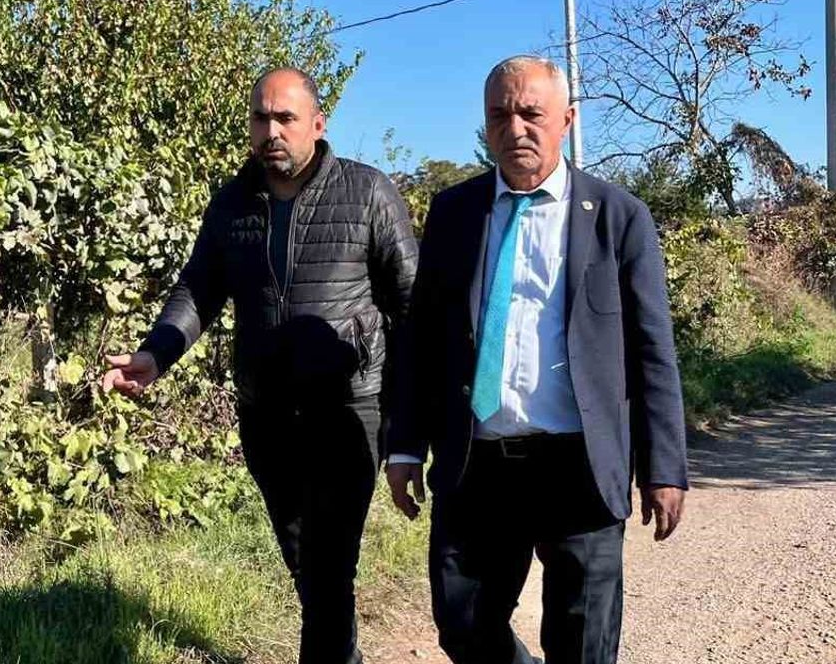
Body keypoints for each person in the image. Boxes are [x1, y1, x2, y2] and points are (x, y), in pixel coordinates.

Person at [101, 67, 418, 664]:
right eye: (261, 118)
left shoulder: (368, 192)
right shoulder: (232, 203)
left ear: (317, 124)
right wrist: (156, 353)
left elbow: (411, 304)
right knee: (304, 560)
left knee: (328, 564)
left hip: (348, 409)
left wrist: (412, 423)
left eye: (285, 118)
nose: (271, 131)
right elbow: (199, 289)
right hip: (266, 412)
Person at [385, 55, 688, 664]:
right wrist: (406, 445)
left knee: (583, 642)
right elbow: (423, 337)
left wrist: (664, 467)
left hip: (580, 465)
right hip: (478, 464)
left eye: (531, 113)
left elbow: (652, 349)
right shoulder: (454, 213)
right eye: (499, 115)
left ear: (567, 120)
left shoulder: (618, 217)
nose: (515, 128)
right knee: (463, 625)